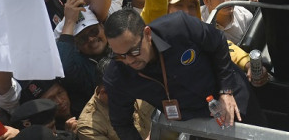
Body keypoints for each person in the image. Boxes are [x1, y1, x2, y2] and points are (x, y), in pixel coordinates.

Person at [103, 9, 262, 138]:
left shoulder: (178, 27)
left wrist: (226, 90)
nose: (129, 60)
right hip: (193, 122)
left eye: (134, 51)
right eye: (119, 55)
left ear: (147, 34)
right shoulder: (116, 75)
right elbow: (121, 123)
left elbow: (218, 42)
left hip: (230, 95)